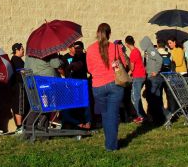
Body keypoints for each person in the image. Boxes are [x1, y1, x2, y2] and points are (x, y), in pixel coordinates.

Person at [86, 23, 127, 151]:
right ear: (109, 34)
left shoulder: (90, 48)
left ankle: (109, 143)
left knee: (105, 115)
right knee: (113, 115)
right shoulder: (115, 47)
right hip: (114, 84)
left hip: (98, 86)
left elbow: (90, 69)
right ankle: (111, 145)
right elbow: (124, 64)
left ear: (97, 33)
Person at [61, 41, 91, 129]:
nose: (76, 49)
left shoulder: (84, 56)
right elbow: (66, 69)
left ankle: (87, 122)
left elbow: (86, 68)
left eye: (78, 48)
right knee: (76, 104)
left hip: (82, 82)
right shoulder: (68, 57)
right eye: (75, 47)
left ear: (82, 48)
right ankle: (79, 123)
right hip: (72, 83)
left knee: (85, 103)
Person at [140, 36, 165, 125]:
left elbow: (159, 59)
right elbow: (152, 63)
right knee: (157, 98)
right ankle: (160, 118)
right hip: (153, 77)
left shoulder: (151, 50)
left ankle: (156, 117)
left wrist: (156, 71)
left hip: (153, 78)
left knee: (152, 99)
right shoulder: (149, 51)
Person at [124, 36, 146, 124]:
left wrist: (127, 75)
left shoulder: (133, 53)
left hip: (138, 77)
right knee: (135, 97)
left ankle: (141, 116)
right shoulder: (137, 50)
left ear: (126, 44)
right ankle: (141, 115)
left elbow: (132, 67)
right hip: (140, 76)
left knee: (135, 97)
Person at [9, 43, 27, 133]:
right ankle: (19, 127)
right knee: (19, 106)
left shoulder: (18, 60)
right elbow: (22, 72)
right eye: (22, 49)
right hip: (18, 86)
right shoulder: (16, 60)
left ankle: (22, 125)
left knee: (21, 105)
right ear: (17, 50)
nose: (23, 50)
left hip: (19, 85)